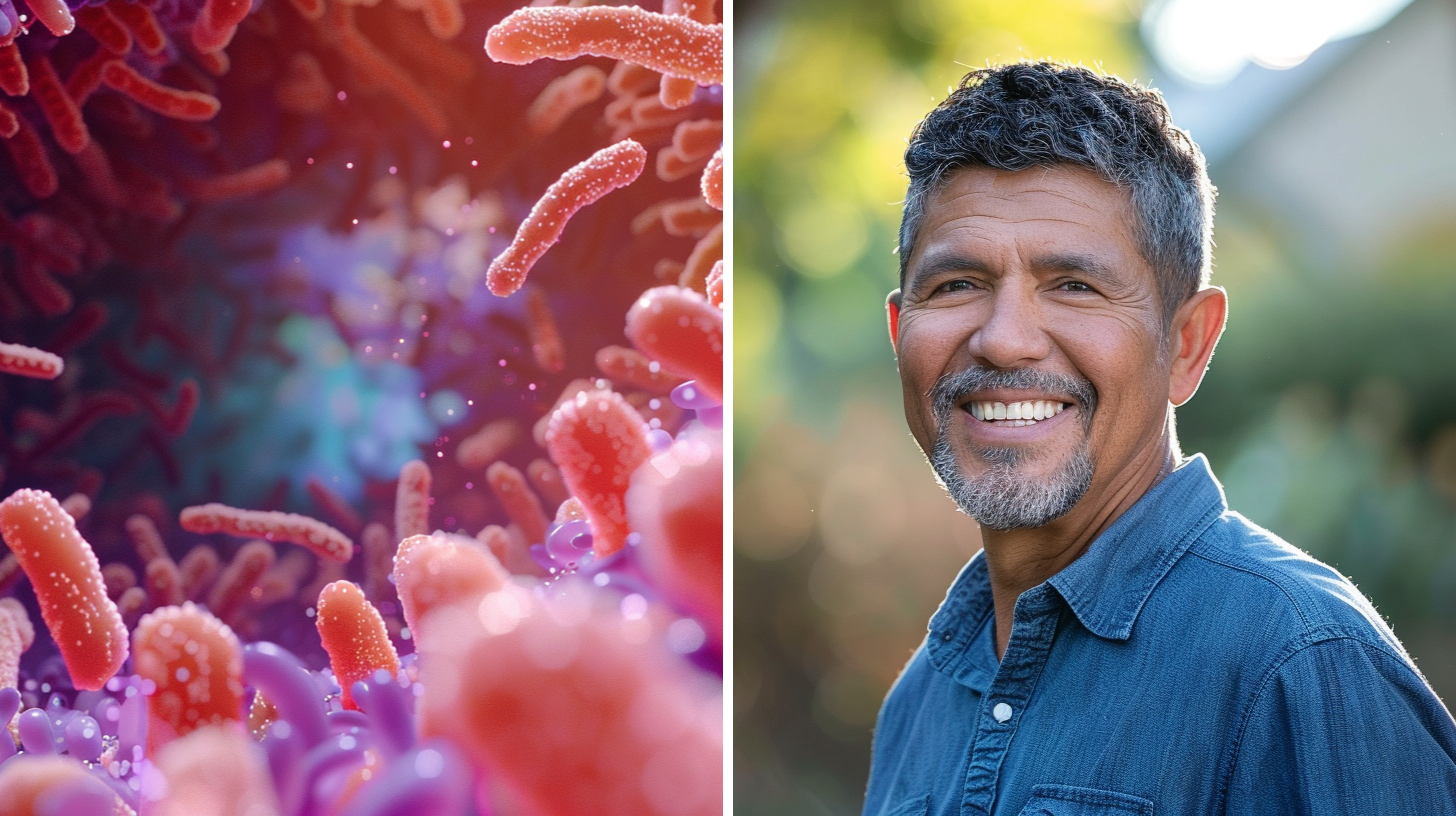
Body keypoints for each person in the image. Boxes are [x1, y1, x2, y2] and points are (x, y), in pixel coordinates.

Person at [864, 61, 1456, 816]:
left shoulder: (1301, 663)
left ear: (1187, 344)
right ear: (899, 332)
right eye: (956, 285)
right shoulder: (923, 698)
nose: (1005, 340)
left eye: (1074, 285)